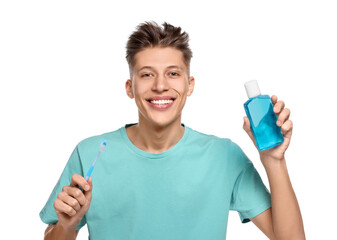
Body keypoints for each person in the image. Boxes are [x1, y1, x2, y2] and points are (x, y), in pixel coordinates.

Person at [40, 21, 305, 240]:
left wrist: (274, 161)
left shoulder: (224, 156)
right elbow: (55, 231)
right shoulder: (89, 154)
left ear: (190, 85)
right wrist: (66, 226)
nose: (160, 86)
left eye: (173, 74)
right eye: (146, 74)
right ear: (129, 87)